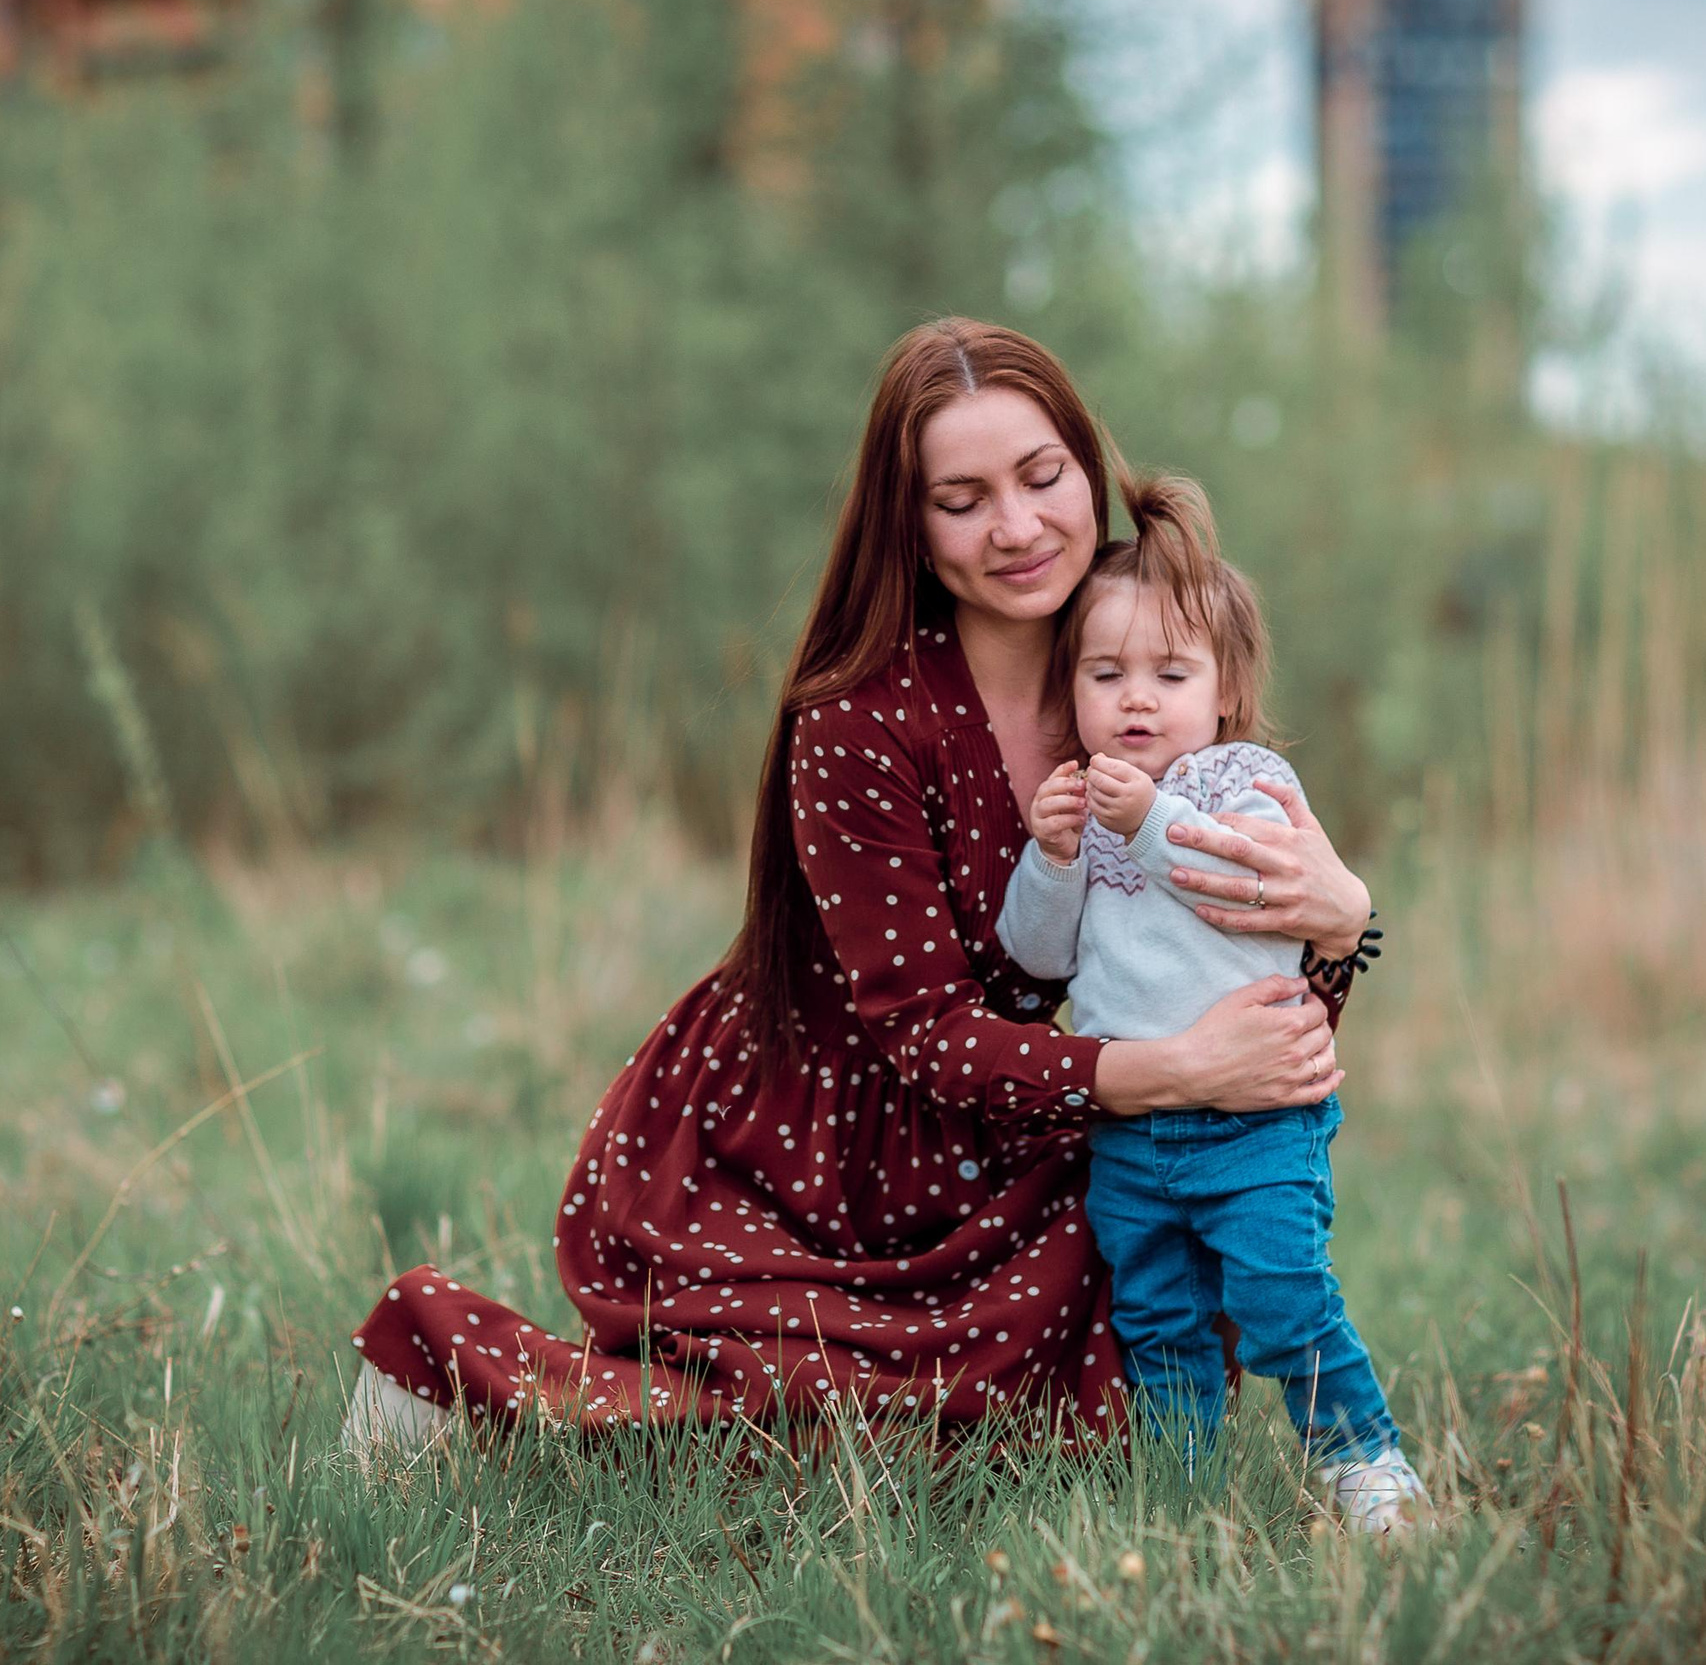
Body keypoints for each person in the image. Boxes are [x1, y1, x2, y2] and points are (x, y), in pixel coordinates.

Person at [342, 318, 1374, 1458]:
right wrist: (1173, 1069)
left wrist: (1340, 919)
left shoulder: (1153, 674)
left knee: (1138, 1332)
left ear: (1087, 470)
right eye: (962, 497)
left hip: (1033, 1111)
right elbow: (924, 1032)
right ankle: (447, 1388)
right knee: (861, 1429)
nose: (1017, 526)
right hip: (827, 1135)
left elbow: (1251, 978)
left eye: (1041, 476)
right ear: (910, 522)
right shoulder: (858, 719)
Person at [994, 486, 1426, 1532]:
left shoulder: (1242, 779)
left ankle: (1364, 1461)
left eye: (1168, 674)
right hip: (1133, 1128)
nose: (1134, 700)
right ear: (1073, 687)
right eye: (1105, 675)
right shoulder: (1090, 802)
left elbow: (1228, 884)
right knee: (1159, 1317)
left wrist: (1141, 820)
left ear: (1225, 690)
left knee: (1280, 1295)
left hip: (1254, 1120)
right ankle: (1178, 1493)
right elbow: (1032, 956)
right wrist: (1051, 858)